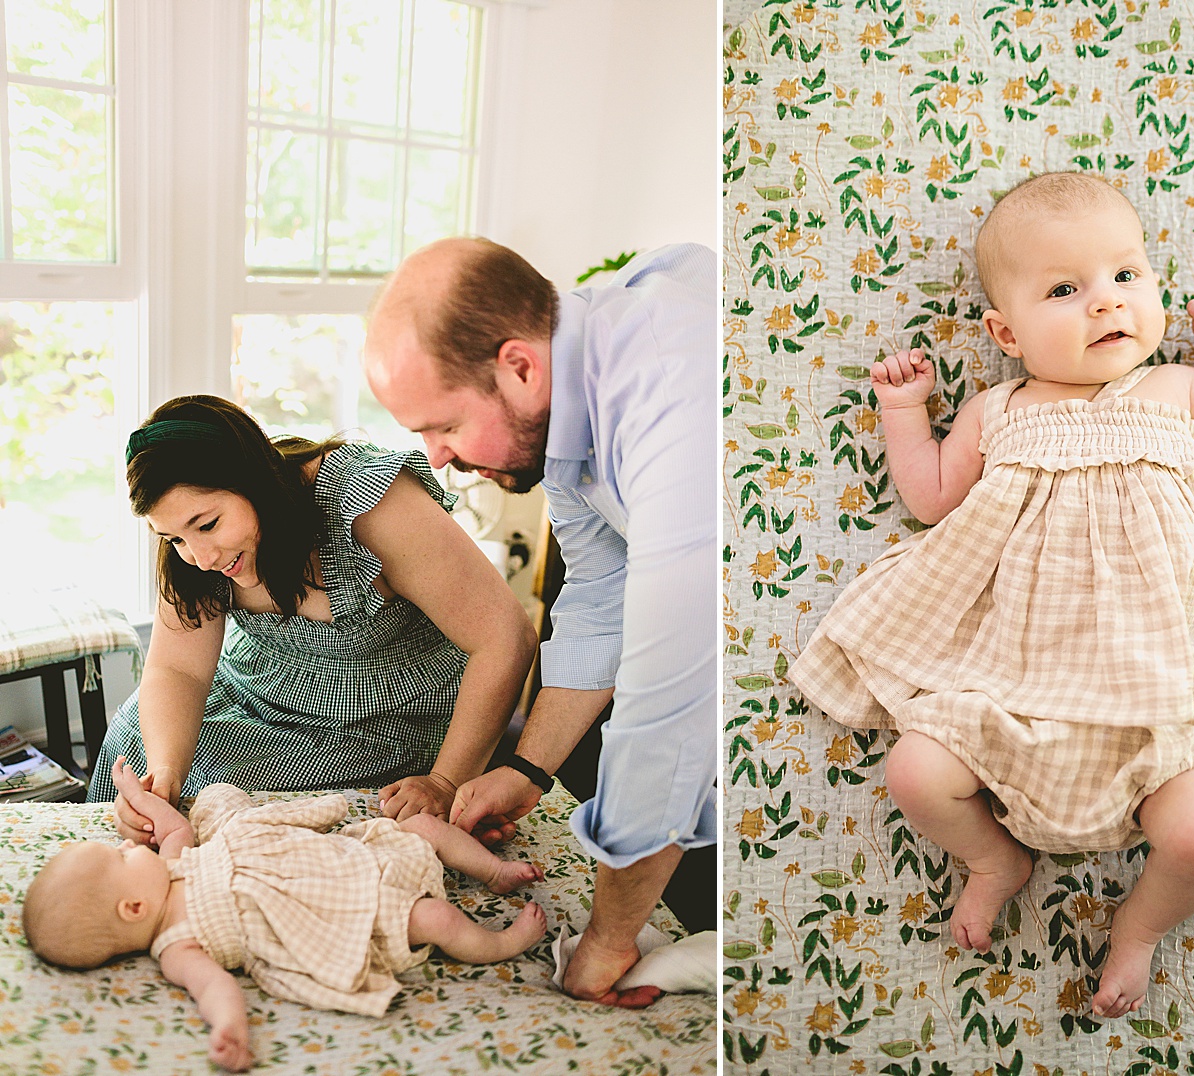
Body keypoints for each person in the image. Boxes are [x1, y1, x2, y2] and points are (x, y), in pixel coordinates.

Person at [789, 172, 1194, 1020]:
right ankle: (994, 861)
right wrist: (905, 411)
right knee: (915, 773)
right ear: (1005, 333)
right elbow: (932, 499)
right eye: (1066, 290)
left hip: (1159, 692)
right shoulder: (1000, 407)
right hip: (1009, 683)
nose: (1107, 305)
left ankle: (1137, 928)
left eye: (1126, 278)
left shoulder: (1173, 389)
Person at [364, 239, 716, 1006]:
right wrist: (528, 769)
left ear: (519, 367)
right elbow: (598, 594)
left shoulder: (669, 406)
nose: (439, 459)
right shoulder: (565, 409)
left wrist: (609, 939)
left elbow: (668, 710)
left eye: (445, 425)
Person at [88, 395, 536, 837]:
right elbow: (177, 670)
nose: (201, 557)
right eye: (173, 538)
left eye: (207, 525)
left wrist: (445, 782)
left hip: (385, 722)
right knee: (137, 747)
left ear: (253, 480)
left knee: (254, 807)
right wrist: (166, 773)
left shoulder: (364, 500)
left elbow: (505, 637)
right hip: (256, 692)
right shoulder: (191, 547)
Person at [28, 758, 548, 1072]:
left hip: (342, 857)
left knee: (422, 831)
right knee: (434, 920)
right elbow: (214, 990)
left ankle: (492, 872)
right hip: (338, 909)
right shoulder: (177, 947)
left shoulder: (173, 862)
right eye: (120, 856)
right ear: (133, 907)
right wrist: (231, 1027)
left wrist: (140, 796)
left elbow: (172, 828)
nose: (126, 846)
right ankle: (501, 944)